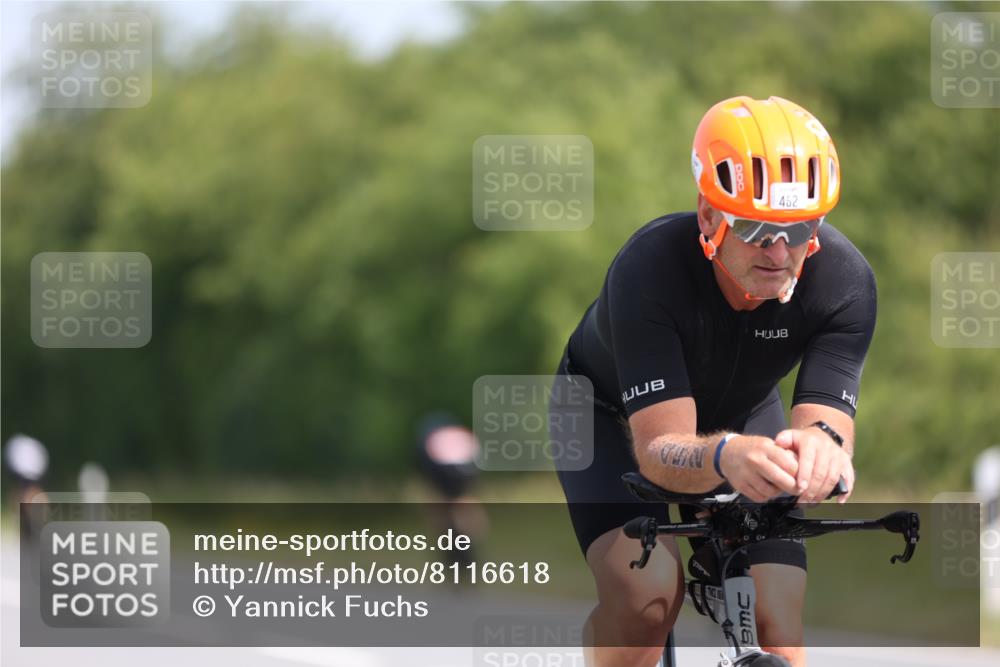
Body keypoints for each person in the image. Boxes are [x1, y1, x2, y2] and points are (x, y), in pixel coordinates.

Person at [550, 96, 876, 667]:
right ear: (708, 217)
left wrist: (824, 450)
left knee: (780, 622)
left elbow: (827, 422)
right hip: (606, 414)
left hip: (742, 412)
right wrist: (725, 457)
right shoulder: (650, 268)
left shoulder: (844, 283)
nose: (779, 252)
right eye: (754, 228)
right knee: (647, 597)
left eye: (798, 228)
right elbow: (657, 451)